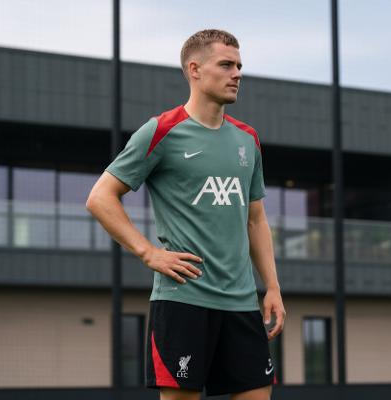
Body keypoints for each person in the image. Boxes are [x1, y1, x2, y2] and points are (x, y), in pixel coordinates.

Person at [86, 29, 285, 400]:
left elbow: (256, 220)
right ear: (195, 69)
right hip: (183, 301)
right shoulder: (161, 130)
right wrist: (149, 253)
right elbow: (100, 197)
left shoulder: (248, 139)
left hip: (242, 303)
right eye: (226, 65)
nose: (237, 73)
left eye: (239, 65)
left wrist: (272, 286)